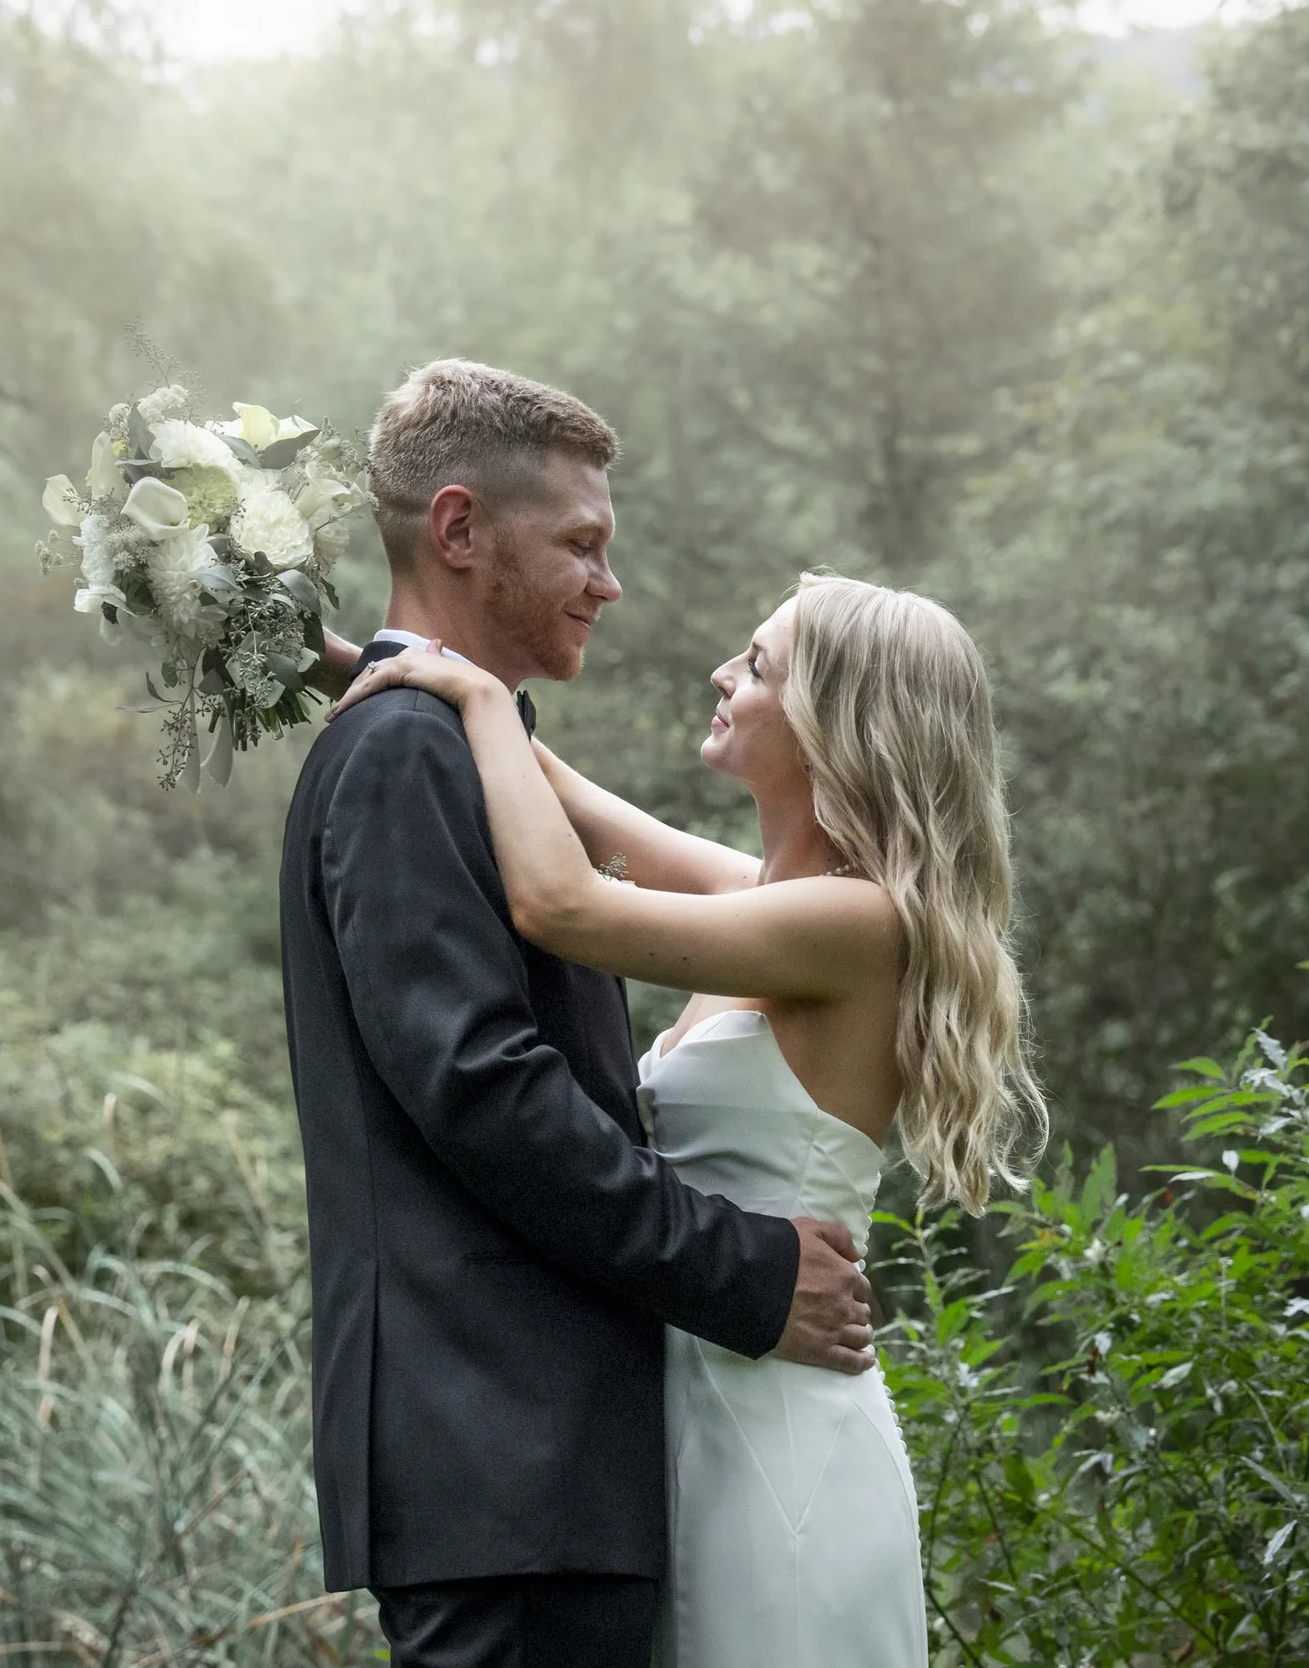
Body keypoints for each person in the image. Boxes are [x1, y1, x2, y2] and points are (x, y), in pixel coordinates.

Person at [326, 565, 1046, 1667]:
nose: (722, 674)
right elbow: (558, 787)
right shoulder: (762, 897)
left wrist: (470, 701)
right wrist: (364, 662)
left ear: (831, 724)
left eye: (755, 664)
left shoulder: (855, 924)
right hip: (693, 1398)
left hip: (775, 1430)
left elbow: (561, 902)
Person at [280, 359, 877, 1668]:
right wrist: (746, 1270)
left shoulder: (446, 744)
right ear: (456, 529)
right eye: (583, 543)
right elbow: (488, 1089)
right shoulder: (405, 755)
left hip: (546, 1474)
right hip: (505, 1459)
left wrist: (412, 675)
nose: (610, 582)